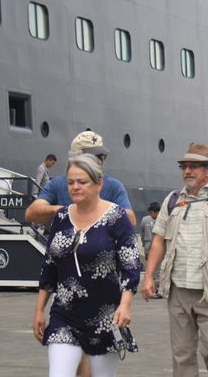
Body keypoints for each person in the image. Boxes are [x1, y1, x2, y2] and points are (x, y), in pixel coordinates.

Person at [141, 143, 208, 377]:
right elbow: (158, 240)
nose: (187, 171)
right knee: (182, 355)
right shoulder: (172, 200)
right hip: (178, 290)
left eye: (193, 166)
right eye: (184, 166)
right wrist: (149, 276)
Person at [33, 154, 141, 376]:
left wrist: (125, 305)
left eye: (82, 182)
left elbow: (131, 265)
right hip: (64, 314)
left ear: (98, 183)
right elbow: (50, 266)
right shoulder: (62, 217)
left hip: (105, 317)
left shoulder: (117, 217)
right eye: (71, 182)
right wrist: (39, 310)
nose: (75, 187)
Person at [26, 130, 136, 226]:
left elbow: (130, 220)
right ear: (75, 157)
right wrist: (66, 211)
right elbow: (32, 213)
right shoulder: (57, 184)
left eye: (102, 156)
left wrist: (90, 211)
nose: (101, 160)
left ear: (99, 185)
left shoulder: (113, 186)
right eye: (94, 156)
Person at [140, 201, 162, 298]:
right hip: (157, 245)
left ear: (155, 211)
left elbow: (142, 233)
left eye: (151, 212)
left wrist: (144, 244)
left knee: (150, 267)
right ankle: (155, 289)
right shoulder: (162, 220)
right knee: (157, 268)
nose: (150, 214)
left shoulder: (144, 220)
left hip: (148, 244)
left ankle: (151, 288)